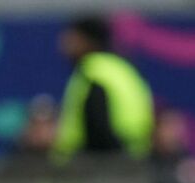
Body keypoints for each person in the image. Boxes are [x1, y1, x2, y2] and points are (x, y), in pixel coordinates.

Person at [52, 16, 154, 164]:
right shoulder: (123, 70)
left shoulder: (93, 73)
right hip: (133, 163)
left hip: (100, 170)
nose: (64, 45)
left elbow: (98, 125)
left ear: (87, 40)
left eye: (72, 38)